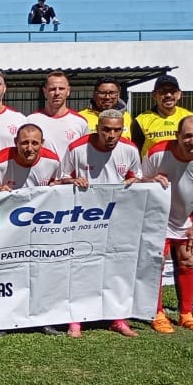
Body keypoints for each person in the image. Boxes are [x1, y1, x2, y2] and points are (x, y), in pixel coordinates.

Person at [57, 109, 146, 339]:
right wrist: (72, 180)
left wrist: (134, 181)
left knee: (115, 269)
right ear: (97, 128)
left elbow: (137, 177)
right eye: (106, 129)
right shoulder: (77, 148)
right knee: (80, 269)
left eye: (117, 130)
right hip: (83, 220)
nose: (111, 135)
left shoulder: (130, 149)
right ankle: (75, 320)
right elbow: (61, 179)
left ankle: (117, 319)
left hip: (116, 220)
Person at [141, 115, 193, 335]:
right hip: (156, 219)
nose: (192, 141)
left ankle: (186, 314)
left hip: (185, 218)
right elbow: (139, 181)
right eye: (187, 136)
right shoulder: (158, 153)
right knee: (156, 264)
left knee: (188, 259)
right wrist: (149, 181)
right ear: (177, 135)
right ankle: (157, 314)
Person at [26, 71, 90, 157]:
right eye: (52, 89)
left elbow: (85, 154)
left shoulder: (80, 122)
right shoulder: (31, 121)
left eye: (61, 89)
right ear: (45, 92)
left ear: (68, 91)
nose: (57, 93)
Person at [132, 74, 193, 157]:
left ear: (179, 94)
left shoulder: (188, 117)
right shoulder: (141, 121)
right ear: (154, 95)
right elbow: (134, 154)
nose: (168, 95)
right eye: (163, 91)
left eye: (173, 91)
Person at [0, 123, 60, 192]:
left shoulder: (53, 161)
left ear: (42, 143)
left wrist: (57, 184)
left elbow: (59, 184)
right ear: (16, 142)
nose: (30, 149)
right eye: (25, 143)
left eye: (34, 143)